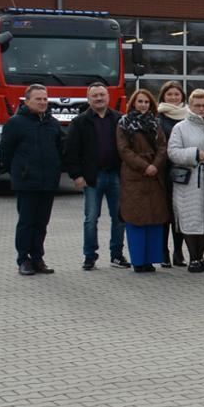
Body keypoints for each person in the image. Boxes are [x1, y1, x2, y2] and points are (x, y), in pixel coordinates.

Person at [0, 83, 63, 275]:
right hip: (27, 182)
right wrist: (19, 171)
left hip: (48, 182)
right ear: (27, 101)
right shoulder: (16, 123)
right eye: (38, 99)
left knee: (41, 223)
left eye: (45, 99)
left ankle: (38, 258)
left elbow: (59, 149)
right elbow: (5, 152)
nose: (43, 102)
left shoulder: (52, 123)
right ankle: (23, 259)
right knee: (26, 222)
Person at [62, 82, 125, 270]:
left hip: (115, 176)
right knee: (91, 218)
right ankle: (90, 256)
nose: (99, 98)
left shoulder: (119, 119)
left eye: (102, 95)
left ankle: (117, 255)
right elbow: (70, 151)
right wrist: (76, 176)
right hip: (92, 178)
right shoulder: (79, 122)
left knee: (119, 218)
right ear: (88, 99)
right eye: (95, 95)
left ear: (108, 97)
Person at [115, 88, 171, 274]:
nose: (143, 105)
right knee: (136, 219)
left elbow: (163, 147)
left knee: (154, 218)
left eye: (146, 102)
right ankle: (138, 261)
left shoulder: (156, 123)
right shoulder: (124, 123)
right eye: (140, 101)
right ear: (133, 103)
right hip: (134, 176)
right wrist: (144, 166)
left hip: (155, 177)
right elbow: (124, 151)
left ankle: (151, 259)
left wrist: (155, 165)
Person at [166, 88, 204, 273]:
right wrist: (193, 154)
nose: (201, 108)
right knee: (190, 217)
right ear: (190, 106)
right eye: (197, 105)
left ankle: (201, 256)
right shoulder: (180, 127)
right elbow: (172, 152)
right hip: (189, 180)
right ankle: (193, 258)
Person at [156, 81, 189, 267]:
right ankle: (163, 252)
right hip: (163, 173)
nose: (174, 98)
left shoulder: (189, 117)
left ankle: (179, 252)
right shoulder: (158, 117)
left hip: (184, 173)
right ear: (163, 97)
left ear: (182, 97)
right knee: (165, 215)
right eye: (170, 95)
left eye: (177, 95)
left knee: (179, 215)